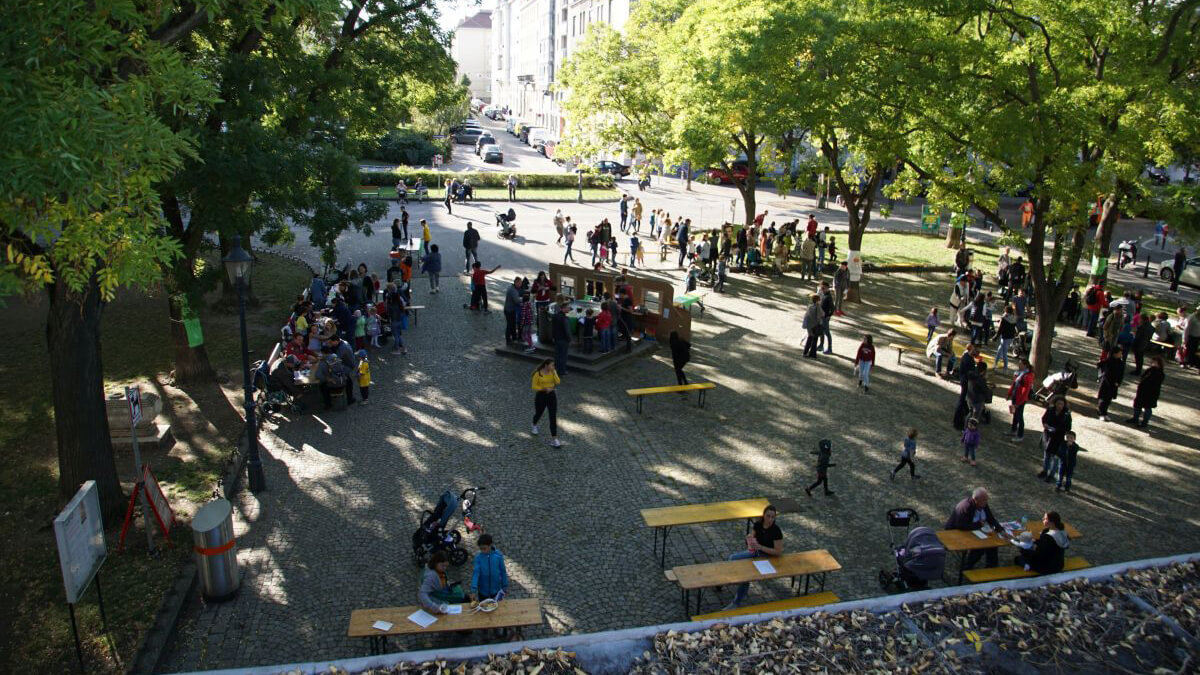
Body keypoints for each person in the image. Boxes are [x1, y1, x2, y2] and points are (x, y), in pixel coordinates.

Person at [723, 505, 783, 610]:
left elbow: (778, 552)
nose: (770, 519)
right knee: (732, 558)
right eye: (768, 516)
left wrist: (761, 547)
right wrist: (749, 540)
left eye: (772, 517)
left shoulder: (776, 531)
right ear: (763, 515)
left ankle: (736, 603)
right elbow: (752, 538)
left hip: (767, 558)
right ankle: (722, 582)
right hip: (755, 552)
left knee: (746, 576)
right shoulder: (758, 524)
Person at [945, 487, 1002, 569]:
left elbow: (990, 518)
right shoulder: (965, 507)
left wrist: (999, 528)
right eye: (984, 500)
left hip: (973, 530)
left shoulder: (982, 504)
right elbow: (961, 526)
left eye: (986, 500)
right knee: (980, 545)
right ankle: (967, 566)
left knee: (992, 542)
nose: (986, 503)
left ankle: (992, 566)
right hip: (956, 532)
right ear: (976, 499)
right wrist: (979, 524)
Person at [1038, 398, 1071, 480]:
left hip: (1058, 438)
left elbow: (1068, 427)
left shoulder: (1066, 414)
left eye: (1062, 404)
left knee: (1055, 457)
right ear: (1055, 403)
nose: (1060, 406)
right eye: (1058, 403)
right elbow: (1044, 418)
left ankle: (1051, 475)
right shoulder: (1050, 410)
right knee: (1046, 455)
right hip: (1047, 435)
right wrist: (1045, 424)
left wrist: (1057, 430)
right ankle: (1045, 471)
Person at [531, 359, 561, 448]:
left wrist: (555, 373)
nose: (553, 367)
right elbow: (534, 386)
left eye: (553, 365)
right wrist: (544, 389)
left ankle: (555, 439)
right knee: (539, 413)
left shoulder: (552, 372)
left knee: (552, 416)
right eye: (552, 365)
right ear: (546, 365)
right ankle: (534, 424)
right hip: (541, 396)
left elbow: (558, 382)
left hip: (551, 396)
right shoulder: (538, 374)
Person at [1127, 356, 1165, 428]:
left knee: (1147, 408)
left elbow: (1155, 383)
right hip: (1142, 391)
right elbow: (1143, 378)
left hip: (1151, 393)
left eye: (1154, 362)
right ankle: (1135, 418)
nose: (1152, 363)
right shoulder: (1150, 370)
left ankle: (1145, 422)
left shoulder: (1160, 373)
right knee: (1137, 405)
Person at [469, 534, 509, 601]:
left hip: (496, 590)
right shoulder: (478, 558)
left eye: (484, 548)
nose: (482, 551)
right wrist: (473, 590)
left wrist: (504, 586)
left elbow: (503, 571)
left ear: (490, 545)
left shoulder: (498, 556)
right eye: (481, 549)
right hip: (483, 592)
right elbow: (476, 574)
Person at [1007, 358, 1034, 441]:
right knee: (1015, 415)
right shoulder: (1019, 373)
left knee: (1019, 416)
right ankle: (1013, 430)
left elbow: (1025, 391)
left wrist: (1019, 402)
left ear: (1025, 365)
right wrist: (1009, 393)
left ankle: (1020, 435)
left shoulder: (1028, 376)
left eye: (1020, 364)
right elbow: (1014, 383)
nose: (1019, 365)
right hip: (1015, 396)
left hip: (1021, 399)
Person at [1096, 348, 1124, 421]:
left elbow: (1121, 374)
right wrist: (1113, 382)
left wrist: (1118, 382)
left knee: (1108, 399)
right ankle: (1101, 413)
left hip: (1114, 384)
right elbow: (1107, 373)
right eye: (1119, 353)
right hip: (1106, 383)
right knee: (1103, 399)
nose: (1121, 355)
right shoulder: (1108, 361)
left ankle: (1105, 413)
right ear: (1115, 354)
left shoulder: (1120, 363)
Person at [385, 283, 408, 355]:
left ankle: (397, 349)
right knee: (399, 334)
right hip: (400, 320)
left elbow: (388, 313)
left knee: (396, 336)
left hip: (394, 321)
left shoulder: (390, 305)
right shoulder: (400, 303)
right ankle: (404, 348)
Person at [994, 304, 1018, 370]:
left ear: (1006, 311)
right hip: (1011, 336)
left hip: (1005, 336)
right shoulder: (1014, 317)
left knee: (1004, 352)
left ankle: (1005, 367)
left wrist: (996, 336)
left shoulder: (1004, 317)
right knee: (1000, 349)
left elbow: (1000, 328)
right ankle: (995, 363)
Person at [551, 302, 570, 374]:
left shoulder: (555, 316)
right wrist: (569, 339)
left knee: (557, 355)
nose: (569, 309)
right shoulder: (565, 318)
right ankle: (562, 370)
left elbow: (553, 328)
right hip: (563, 339)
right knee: (563, 356)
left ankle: (556, 369)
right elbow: (567, 330)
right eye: (568, 307)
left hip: (556, 338)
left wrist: (553, 337)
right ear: (564, 308)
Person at [803, 294, 822, 358]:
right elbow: (821, 314)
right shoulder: (817, 307)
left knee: (809, 338)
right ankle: (812, 354)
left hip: (809, 325)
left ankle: (805, 352)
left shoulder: (809, 306)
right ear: (817, 300)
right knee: (814, 339)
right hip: (815, 325)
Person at [504, 278, 523, 344]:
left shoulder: (511, 288)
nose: (521, 284)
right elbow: (517, 301)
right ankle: (508, 339)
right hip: (509, 310)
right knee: (510, 324)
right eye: (520, 283)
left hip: (509, 309)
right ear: (516, 283)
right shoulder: (513, 290)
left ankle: (514, 337)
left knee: (512, 324)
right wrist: (523, 299)